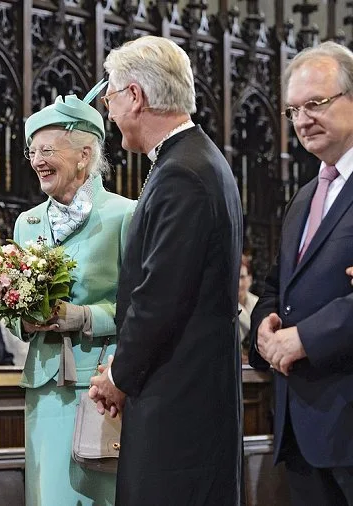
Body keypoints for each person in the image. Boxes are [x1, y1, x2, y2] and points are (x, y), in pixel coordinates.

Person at [89, 35, 243, 505]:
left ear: (135, 96)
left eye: (111, 98)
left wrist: (119, 375)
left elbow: (161, 297)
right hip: (189, 396)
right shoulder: (198, 160)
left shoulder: (182, 173)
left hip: (180, 405)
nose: (109, 114)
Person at [6, 83, 135, 505]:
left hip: (101, 383)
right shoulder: (27, 223)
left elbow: (142, 308)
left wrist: (83, 316)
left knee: (98, 496)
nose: (38, 161)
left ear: (85, 154)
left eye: (48, 150)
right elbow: (8, 299)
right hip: (44, 386)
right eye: (33, 152)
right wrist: (19, 317)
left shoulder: (124, 215)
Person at [249, 41, 353, 506]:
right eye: (294, 110)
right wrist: (265, 330)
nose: (303, 119)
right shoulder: (307, 194)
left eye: (317, 103)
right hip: (300, 424)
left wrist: (305, 338)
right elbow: (276, 286)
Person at [238, 254, 259, 355]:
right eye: (234, 278)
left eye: (242, 277)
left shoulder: (258, 303)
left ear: (250, 279)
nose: (239, 284)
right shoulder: (222, 308)